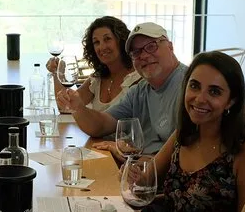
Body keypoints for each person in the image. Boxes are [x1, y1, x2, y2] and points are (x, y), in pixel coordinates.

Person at [142, 51, 245, 212]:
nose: (200, 98)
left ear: (231, 100)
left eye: (214, 92)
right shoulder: (183, 135)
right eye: (194, 86)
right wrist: (131, 171)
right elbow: (145, 181)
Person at [60, 22, 187, 154]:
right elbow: (101, 125)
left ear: (170, 46)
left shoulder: (190, 86)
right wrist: (78, 108)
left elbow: (187, 152)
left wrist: (136, 158)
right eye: (136, 52)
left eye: (151, 46)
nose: (143, 56)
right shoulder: (139, 91)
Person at [46, 16, 141, 112]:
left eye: (107, 39)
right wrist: (56, 72)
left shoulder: (139, 78)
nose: (102, 47)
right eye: (96, 42)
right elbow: (66, 107)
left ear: (122, 41)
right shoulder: (97, 79)